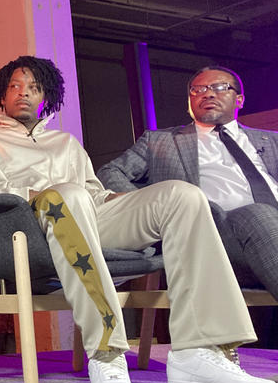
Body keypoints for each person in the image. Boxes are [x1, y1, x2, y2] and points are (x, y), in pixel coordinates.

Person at [0, 55, 277, 383]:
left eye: (34, 87)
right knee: (67, 195)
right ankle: (106, 354)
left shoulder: (66, 144)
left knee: (181, 196)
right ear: (1, 97)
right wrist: (33, 195)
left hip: (84, 217)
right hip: (23, 234)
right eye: (14, 87)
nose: (23, 94)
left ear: (48, 96)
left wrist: (125, 201)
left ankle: (198, 352)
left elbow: (94, 193)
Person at [98, 66, 278, 304]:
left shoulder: (271, 140)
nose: (208, 94)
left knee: (263, 217)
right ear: (188, 103)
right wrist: (153, 209)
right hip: (212, 235)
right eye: (198, 89)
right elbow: (111, 171)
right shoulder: (159, 142)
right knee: (257, 214)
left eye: (220, 87)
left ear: (239, 100)